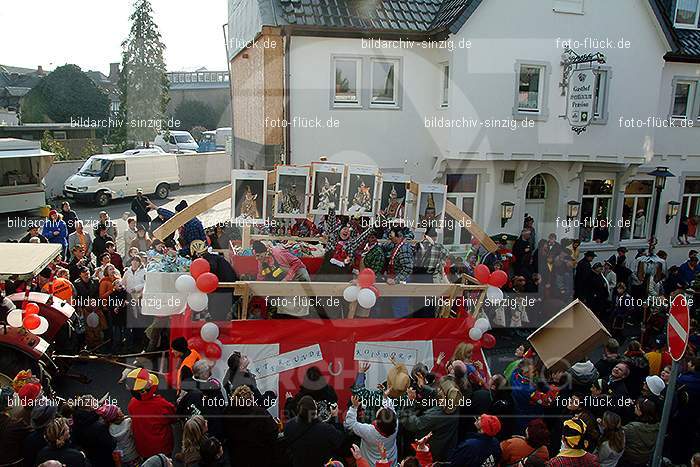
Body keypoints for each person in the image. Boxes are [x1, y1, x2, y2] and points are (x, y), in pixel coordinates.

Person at [401, 377, 462, 462]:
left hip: (433, 453)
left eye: (440, 389)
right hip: (447, 447)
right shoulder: (455, 402)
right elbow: (436, 398)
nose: (438, 390)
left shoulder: (435, 416)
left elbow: (413, 424)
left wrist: (409, 402)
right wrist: (424, 388)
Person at [127, 368, 176, 459]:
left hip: (143, 448)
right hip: (162, 448)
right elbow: (173, 418)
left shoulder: (132, 403)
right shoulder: (162, 405)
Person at [225, 385, 279, 467]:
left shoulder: (227, 414)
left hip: (238, 458)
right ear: (250, 399)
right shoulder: (260, 413)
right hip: (260, 456)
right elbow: (273, 433)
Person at [284, 394, 344, 467]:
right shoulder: (326, 429)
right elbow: (339, 440)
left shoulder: (289, 425)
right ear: (315, 410)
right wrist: (335, 417)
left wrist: (289, 401)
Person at [345, 394, 398, 465]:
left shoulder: (368, 431)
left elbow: (350, 423)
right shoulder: (396, 424)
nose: (382, 407)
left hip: (370, 463)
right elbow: (391, 409)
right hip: (390, 462)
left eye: (381, 410)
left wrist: (354, 407)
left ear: (378, 420)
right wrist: (385, 397)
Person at [71, 395, 116, 467]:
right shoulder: (99, 427)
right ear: (91, 407)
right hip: (105, 458)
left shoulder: (76, 424)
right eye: (95, 401)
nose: (97, 401)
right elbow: (111, 444)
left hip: (91, 458)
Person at [620, 398, 659, 467]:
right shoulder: (657, 427)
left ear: (642, 412)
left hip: (629, 459)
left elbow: (618, 433)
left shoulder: (632, 428)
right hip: (644, 459)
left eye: (637, 407)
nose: (635, 406)